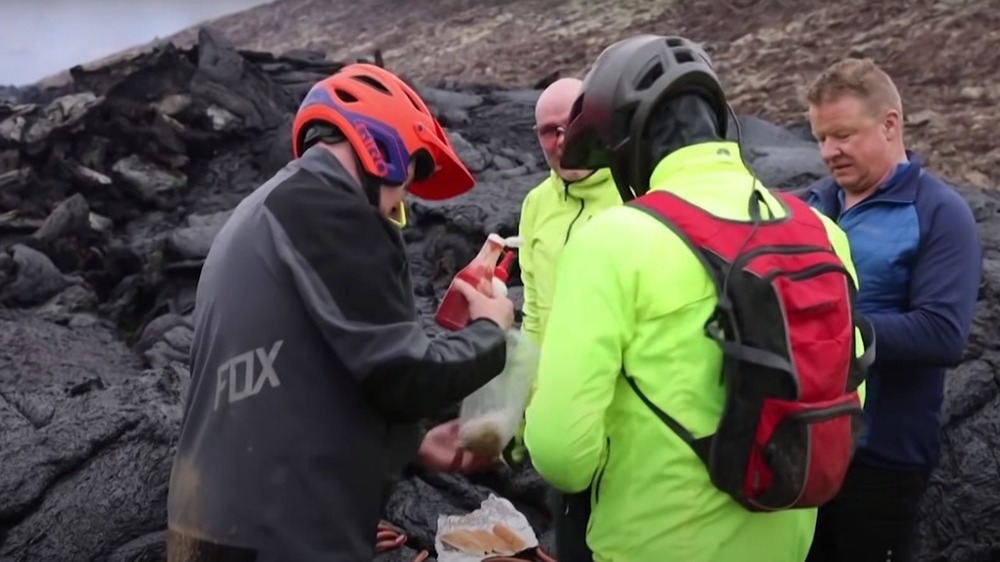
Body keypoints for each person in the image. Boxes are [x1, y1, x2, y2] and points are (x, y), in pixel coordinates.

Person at [523, 35, 870, 562]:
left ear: (624, 143)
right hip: (785, 542)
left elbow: (561, 455)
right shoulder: (822, 231)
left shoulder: (613, 239)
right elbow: (843, 398)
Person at [165, 63, 515, 562]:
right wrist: (490, 331)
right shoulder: (328, 207)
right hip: (273, 532)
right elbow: (405, 373)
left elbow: (293, 374)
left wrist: (411, 447)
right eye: (404, 193)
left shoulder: (264, 210)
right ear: (385, 152)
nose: (397, 210)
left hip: (215, 524)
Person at [802, 57, 982, 562]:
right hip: (804, 447)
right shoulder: (813, 206)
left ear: (889, 124)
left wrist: (822, 334)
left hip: (882, 462)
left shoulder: (940, 213)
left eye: (842, 135)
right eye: (819, 137)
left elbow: (942, 333)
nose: (828, 152)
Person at [513, 77, 622, 562]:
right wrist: (522, 414)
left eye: (569, 126)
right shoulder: (535, 205)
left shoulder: (637, 192)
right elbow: (534, 315)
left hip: (628, 424)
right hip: (561, 422)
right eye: (546, 131)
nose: (560, 142)